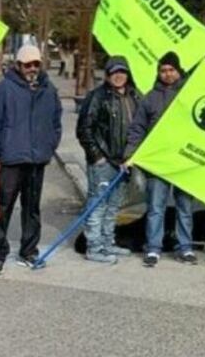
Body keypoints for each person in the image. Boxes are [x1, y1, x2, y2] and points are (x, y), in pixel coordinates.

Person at [0, 45, 62, 275]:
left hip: (36, 160)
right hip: (10, 159)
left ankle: (29, 251)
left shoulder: (49, 90)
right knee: (2, 208)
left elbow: (56, 121)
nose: (32, 69)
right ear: (18, 65)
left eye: (36, 64)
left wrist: (50, 145)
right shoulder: (4, 89)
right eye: (28, 65)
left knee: (32, 209)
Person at [127, 52, 196, 267]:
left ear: (178, 71)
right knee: (156, 207)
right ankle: (153, 248)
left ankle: (185, 247)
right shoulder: (150, 97)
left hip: (184, 162)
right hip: (158, 163)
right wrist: (130, 153)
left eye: (171, 70)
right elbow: (138, 127)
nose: (167, 74)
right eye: (163, 70)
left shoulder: (191, 93)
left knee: (185, 208)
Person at [77, 56, 140, 264]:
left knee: (114, 206)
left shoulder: (133, 96)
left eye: (122, 72)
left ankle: (107, 241)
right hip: (103, 162)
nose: (119, 76)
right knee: (98, 204)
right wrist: (97, 157)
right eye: (114, 72)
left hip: (123, 162)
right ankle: (93, 246)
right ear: (107, 75)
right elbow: (84, 129)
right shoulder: (97, 97)